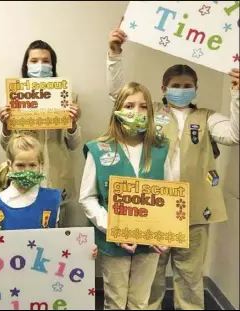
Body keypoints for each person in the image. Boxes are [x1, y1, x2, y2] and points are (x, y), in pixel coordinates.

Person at [106, 23, 240, 310]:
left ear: (195, 88)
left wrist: (236, 94)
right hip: (156, 207)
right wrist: (114, 55)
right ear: (164, 88)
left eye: (187, 85)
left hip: (194, 208)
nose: (181, 90)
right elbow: (118, 98)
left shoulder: (207, 117)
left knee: (190, 277)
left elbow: (234, 134)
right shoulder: (150, 114)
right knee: (151, 275)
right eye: (175, 85)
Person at [80, 82, 171, 310]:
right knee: (115, 301)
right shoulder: (99, 149)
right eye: (129, 106)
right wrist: (113, 228)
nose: (136, 112)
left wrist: (166, 233)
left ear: (150, 112)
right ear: (118, 110)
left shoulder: (160, 149)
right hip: (113, 241)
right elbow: (87, 198)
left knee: (140, 302)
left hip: (149, 242)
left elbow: (169, 195)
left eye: (143, 106)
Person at [0, 40, 81, 227]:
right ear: (26, 66)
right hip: (25, 176)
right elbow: (6, 147)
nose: (40, 66)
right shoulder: (13, 98)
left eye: (45, 61)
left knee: (57, 236)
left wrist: (73, 124)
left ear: (53, 66)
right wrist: (5, 126)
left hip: (57, 175)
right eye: (34, 61)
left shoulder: (66, 96)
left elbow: (74, 145)